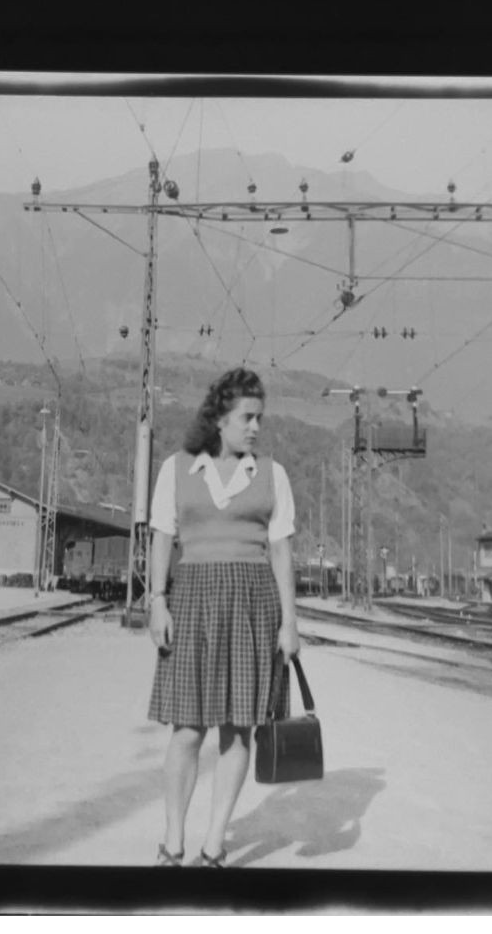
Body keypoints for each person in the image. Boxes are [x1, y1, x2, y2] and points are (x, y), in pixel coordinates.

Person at [145, 367, 300, 868]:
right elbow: (162, 538)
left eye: (260, 417)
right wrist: (156, 600)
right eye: (246, 417)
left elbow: (280, 552)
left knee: (239, 729)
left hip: (254, 606)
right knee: (187, 729)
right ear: (219, 419)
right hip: (192, 601)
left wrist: (290, 622)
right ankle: (173, 843)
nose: (255, 427)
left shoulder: (273, 475)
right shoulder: (177, 468)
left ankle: (213, 845)